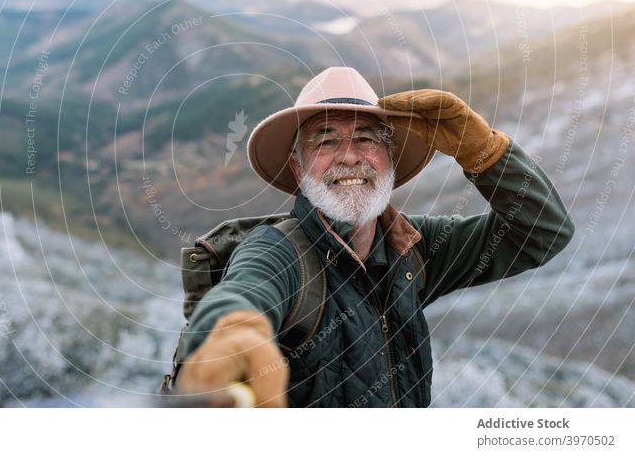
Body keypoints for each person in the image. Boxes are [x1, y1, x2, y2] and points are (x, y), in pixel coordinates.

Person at [176, 66, 574, 407]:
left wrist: (486, 154)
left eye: (367, 137)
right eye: (327, 139)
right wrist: (233, 332)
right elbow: (245, 292)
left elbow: (541, 232)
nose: (350, 155)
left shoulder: (412, 248)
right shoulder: (277, 252)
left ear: (390, 161)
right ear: (298, 170)